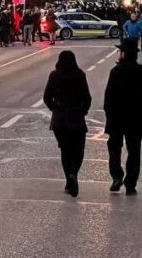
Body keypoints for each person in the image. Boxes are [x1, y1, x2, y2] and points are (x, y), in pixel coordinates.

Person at [104, 37, 142, 195]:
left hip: (117, 117)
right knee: (134, 151)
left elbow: (108, 97)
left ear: (124, 54)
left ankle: (117, 176)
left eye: (119, 51)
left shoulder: (116, 72)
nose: (118, 53)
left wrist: (108, 114)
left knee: (114, 149)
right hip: (136, 117)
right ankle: (131, 183)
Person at [43, 50, 92, 197]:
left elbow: (46, 97)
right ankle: (73, 174)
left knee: (65, 150)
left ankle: (68, 180)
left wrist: (55, 109)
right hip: (76, 116)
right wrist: (82, 111)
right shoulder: (79, 75)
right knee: (78, 150)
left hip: (59, 119)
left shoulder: (54, 75)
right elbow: (87, 98)